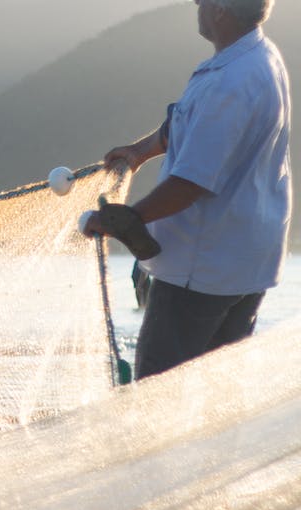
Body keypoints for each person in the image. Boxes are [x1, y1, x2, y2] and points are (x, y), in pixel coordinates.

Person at [86, 0, 290, 380]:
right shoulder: (259, 56)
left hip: (202, 272)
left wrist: (127, 219)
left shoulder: (232, 82)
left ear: (221, 11)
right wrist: (138, 152)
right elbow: (186, 122)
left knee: (158, 395)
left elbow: (192, 182)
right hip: (247, 266)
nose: (196, 3)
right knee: (218, 395)